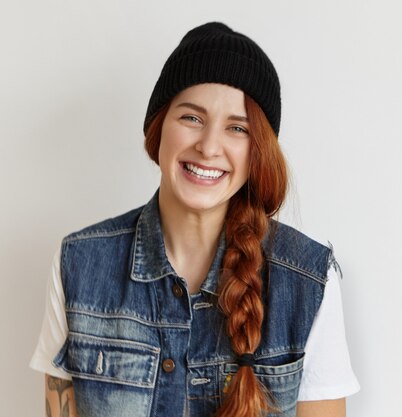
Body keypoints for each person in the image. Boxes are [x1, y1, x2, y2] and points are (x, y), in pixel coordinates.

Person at [29, 22, 359, 417]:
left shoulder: (308, 281)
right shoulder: (79, 265)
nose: (208, 146)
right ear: (159, 127)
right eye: (192, 118)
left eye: (237, 128)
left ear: (258, 151)